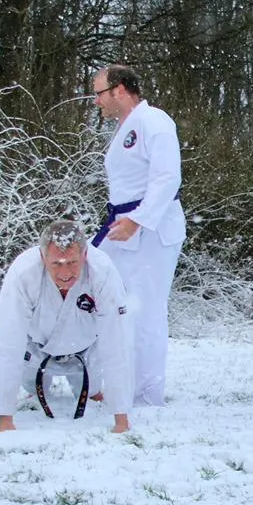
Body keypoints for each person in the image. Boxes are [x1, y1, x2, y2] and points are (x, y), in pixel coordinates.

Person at [90, 64, 185, 407]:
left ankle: (146, 394)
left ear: (119, 89)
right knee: (106, 299)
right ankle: (109, 381)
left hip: (152, 230)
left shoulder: (154, 121)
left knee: (145, 311)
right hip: (123, 227)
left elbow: (167, 178)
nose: (96, 101)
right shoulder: (125, 127)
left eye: (99, 93)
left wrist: (138, 220)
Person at [0, 220, 132, 434]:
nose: (65, 273)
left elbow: (116, 341)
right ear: (42, 257)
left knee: (93, 390)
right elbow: (7, 340)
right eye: (57, 263)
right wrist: (5, 418)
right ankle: (32, 387)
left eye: (72, 262)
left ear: (85, 255)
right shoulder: (23, 272)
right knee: (32, 388)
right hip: (37, 350)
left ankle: (94, 391)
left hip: (86, 352)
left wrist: (121, 419)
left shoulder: (102, 271)